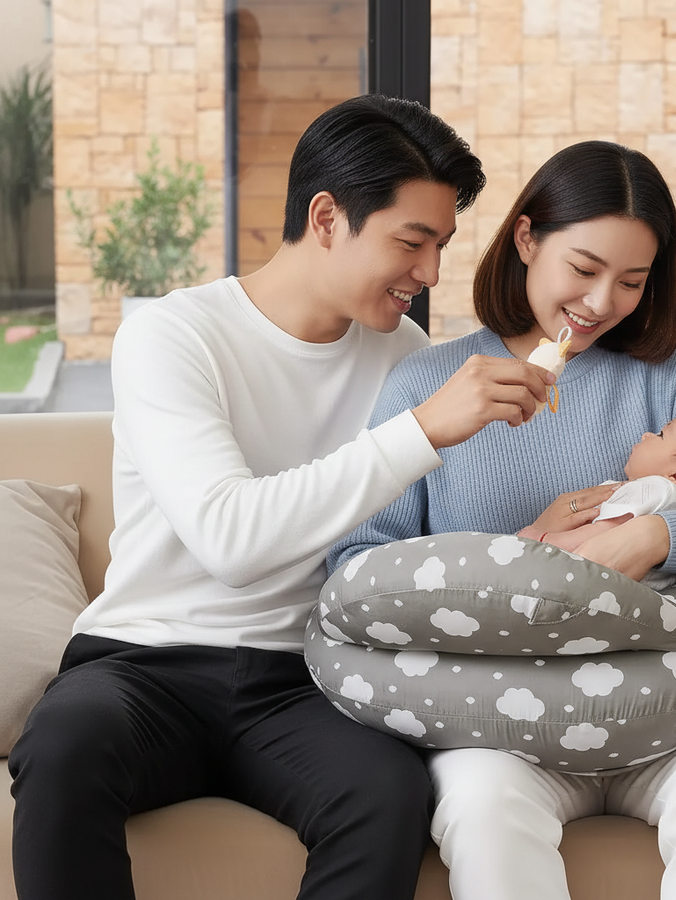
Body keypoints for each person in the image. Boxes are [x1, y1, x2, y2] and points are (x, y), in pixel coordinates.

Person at [7, 95, 559, 900]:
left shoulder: (402, 352)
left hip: (310, 677)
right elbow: (231, 542)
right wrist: (423, 430)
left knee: (387, 793)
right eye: (412, 241)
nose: (431, 274)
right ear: (328, 216)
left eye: (441, 245)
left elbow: (410, 540)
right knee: (64, 747)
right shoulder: (174, 335)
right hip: (141, 665)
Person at [329, 140, 676, 900]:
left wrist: (654, 536)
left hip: (671, 712)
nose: (602, 302)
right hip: (500, 722)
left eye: (632, 282)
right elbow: (360, 568)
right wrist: (522, 553)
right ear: (525, 239)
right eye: (583, 269)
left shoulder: (670, 376)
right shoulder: (428, 383)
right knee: (481, 808)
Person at [519, 412, 676, 590]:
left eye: (661, 435)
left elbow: (606, 532)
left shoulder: (657, 490)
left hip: (584, 583)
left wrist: (544, 540)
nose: (647, 434)